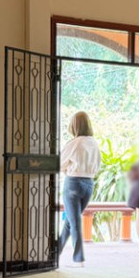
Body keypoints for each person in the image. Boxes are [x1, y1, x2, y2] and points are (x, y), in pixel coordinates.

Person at [58, 111, 100, 265]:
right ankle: (55, 251)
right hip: (89, 184)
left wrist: (67, 169)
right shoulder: (94, 143)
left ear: (74, 125)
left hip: (73, 183)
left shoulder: (74, 143)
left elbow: (59, 163)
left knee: (74, 222)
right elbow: (98, 165)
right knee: (71, 221)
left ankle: (78, 259)